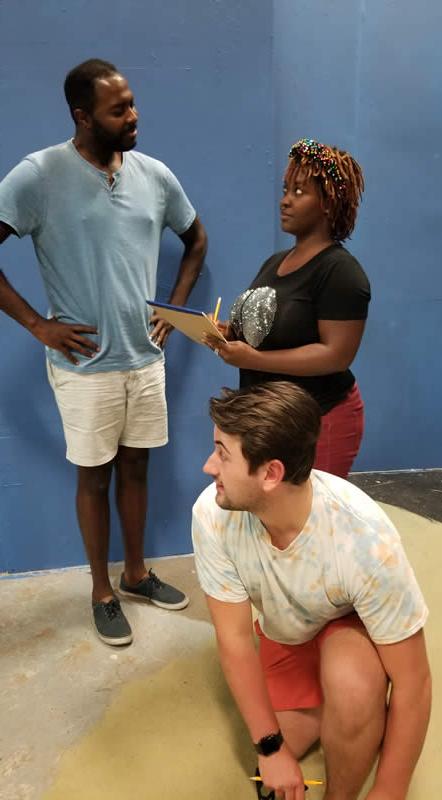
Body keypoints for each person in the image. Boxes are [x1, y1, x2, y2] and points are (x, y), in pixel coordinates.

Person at [0, 58, 207, 646]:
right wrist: (39, 324)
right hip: (84, 367)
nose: (134, 116)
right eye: (120, 109)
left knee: (137, 466)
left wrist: (175, 308)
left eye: (133, 103)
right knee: (93, 479)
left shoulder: (154, 175)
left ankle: (136, 573)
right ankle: (100, 590)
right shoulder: (38, 175)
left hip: (145, 360)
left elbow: (196, 239)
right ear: (83, 117)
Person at [192, 381, 431, 800]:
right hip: (287, 636)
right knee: (279, 750)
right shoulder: (212, 514)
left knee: (354, 688)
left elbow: (414, 682)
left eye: (223, 455)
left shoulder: (366, 540)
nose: (209, 467)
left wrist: (390, 788)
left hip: (347, 628)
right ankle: (340, 712)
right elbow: (233, 639)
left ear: (271, 474)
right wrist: (271, 749)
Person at [207, 138, 370, 479]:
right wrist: (226, 333)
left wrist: (254, 360)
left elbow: (336, 355)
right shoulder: (275, 262)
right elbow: (268, 330)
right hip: (272, 420)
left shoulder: (340, 271)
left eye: (299, 192)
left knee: (312, 524)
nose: (285, 200)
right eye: (285, 189)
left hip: (320, 419)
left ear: (328, 203)